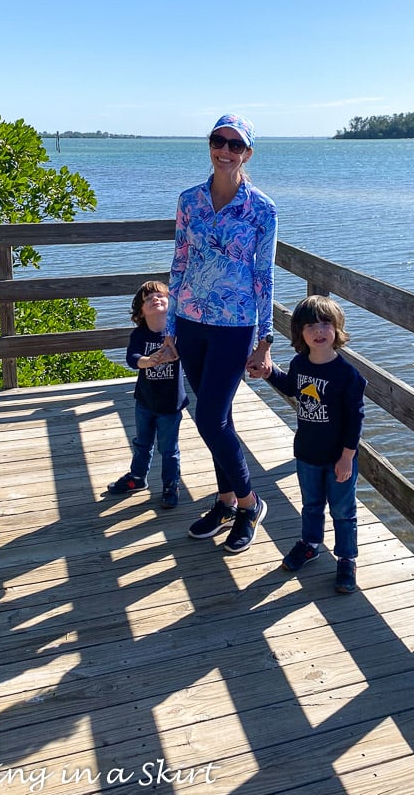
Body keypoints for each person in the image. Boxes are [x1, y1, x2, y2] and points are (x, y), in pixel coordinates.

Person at [159, 113, 278, 553]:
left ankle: (248, 502)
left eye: (235, 144)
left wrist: (265, 340)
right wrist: (170, 327)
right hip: (190, 321)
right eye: (218, 141)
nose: (225, 150)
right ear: (210, 145)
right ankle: (225, 499)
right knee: (214, 418)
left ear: (247, 153)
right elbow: (179, 262)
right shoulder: (189, 200)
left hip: (234, 326)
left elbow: (264, 275)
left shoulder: (262, 208)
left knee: (210, 416)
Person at [250, 295, 366, 593]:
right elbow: (291, 387)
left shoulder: (348, 375)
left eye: (326, 323)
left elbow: (355, 421)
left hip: (339, 457)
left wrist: (347, 458)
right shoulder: (300, 364)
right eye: (311, 325)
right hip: (306, 453)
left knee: (343, 510)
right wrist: (269, 371)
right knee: (311, 505)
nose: (319, 331)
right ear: (300, 333)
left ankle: (346, 558)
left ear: (337, 329)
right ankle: (310, 543)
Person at [107, 280, 189, 509]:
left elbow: (191, 354)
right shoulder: (139, 335)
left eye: (161, 296)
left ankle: (171, 484)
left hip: (171, 405)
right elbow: (132, 358)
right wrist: (147, 361)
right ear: (140, 311)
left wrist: (177, 353)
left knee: (169, 449)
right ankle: (137, 477)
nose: (155, 299)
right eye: (148, 298)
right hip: (144, 401)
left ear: (170, 303)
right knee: (142, 443)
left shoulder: (177, 334)